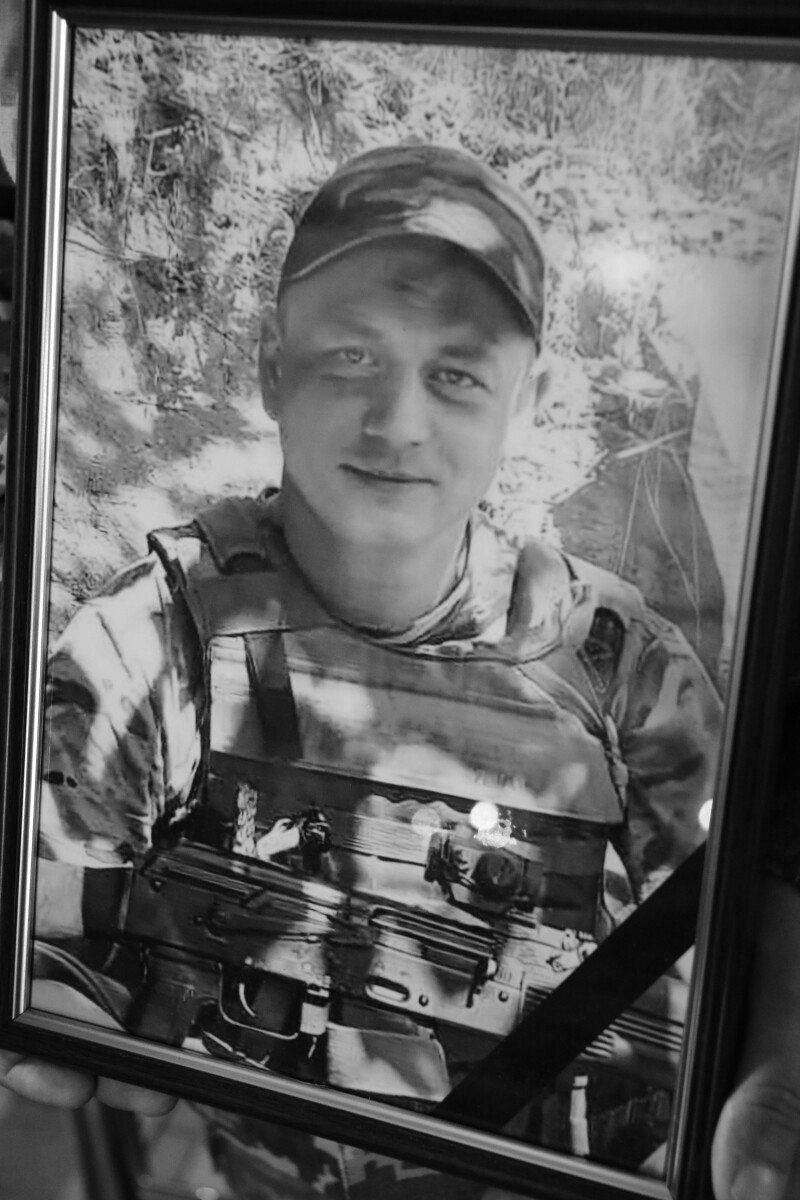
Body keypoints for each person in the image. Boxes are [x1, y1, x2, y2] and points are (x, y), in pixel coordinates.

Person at [0, 143, 788, 1199]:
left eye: (456, 374)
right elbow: (54, 914)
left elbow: (729, 952)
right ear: (271, 366)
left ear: (528, 399)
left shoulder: (615, 661)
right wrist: (53, 992)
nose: (397, 424)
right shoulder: (159, 637)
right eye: (352, 356)